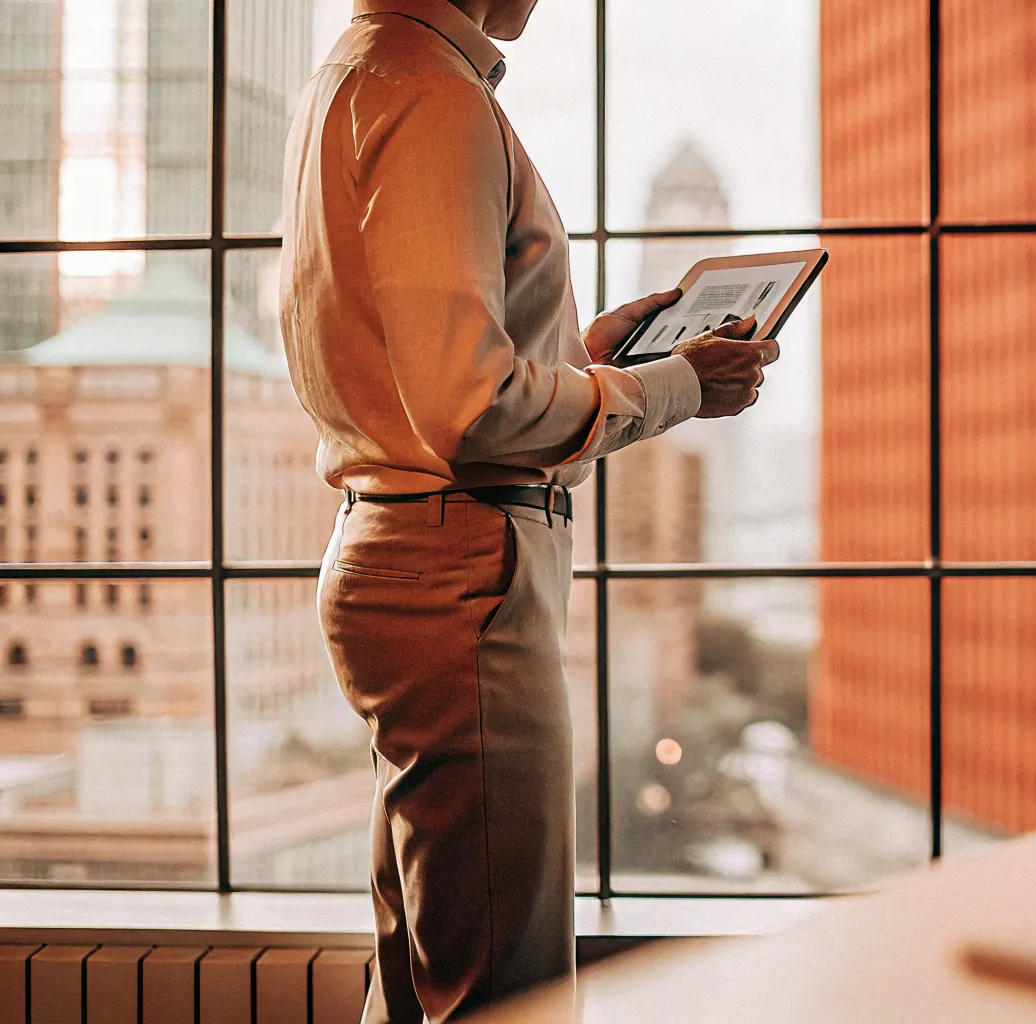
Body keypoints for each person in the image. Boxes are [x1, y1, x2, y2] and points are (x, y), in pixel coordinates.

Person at [277, 0, 779, 1019]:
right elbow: (469, 410)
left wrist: (580, 360)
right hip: (459, 561)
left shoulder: (361, 73)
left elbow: (425, 369)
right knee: (505, 992)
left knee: (428, 976)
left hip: (409, 547)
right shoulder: (430, 95)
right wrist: (678, 382)